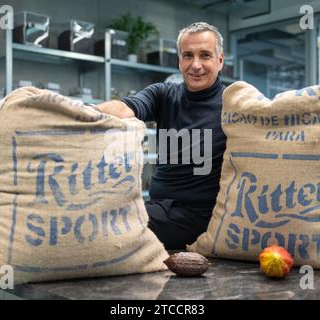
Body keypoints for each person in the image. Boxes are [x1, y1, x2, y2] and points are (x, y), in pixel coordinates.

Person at [93, 22, 227, 249]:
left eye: (205, 55)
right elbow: (127, 108)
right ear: (179, 61)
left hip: (196, 216)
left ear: (220, 60)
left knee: (104, 222)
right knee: (96, 211)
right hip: (157, 207)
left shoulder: (232, 104)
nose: (195, 65)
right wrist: (78, 111)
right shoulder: (163, 94)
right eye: (188, 56)